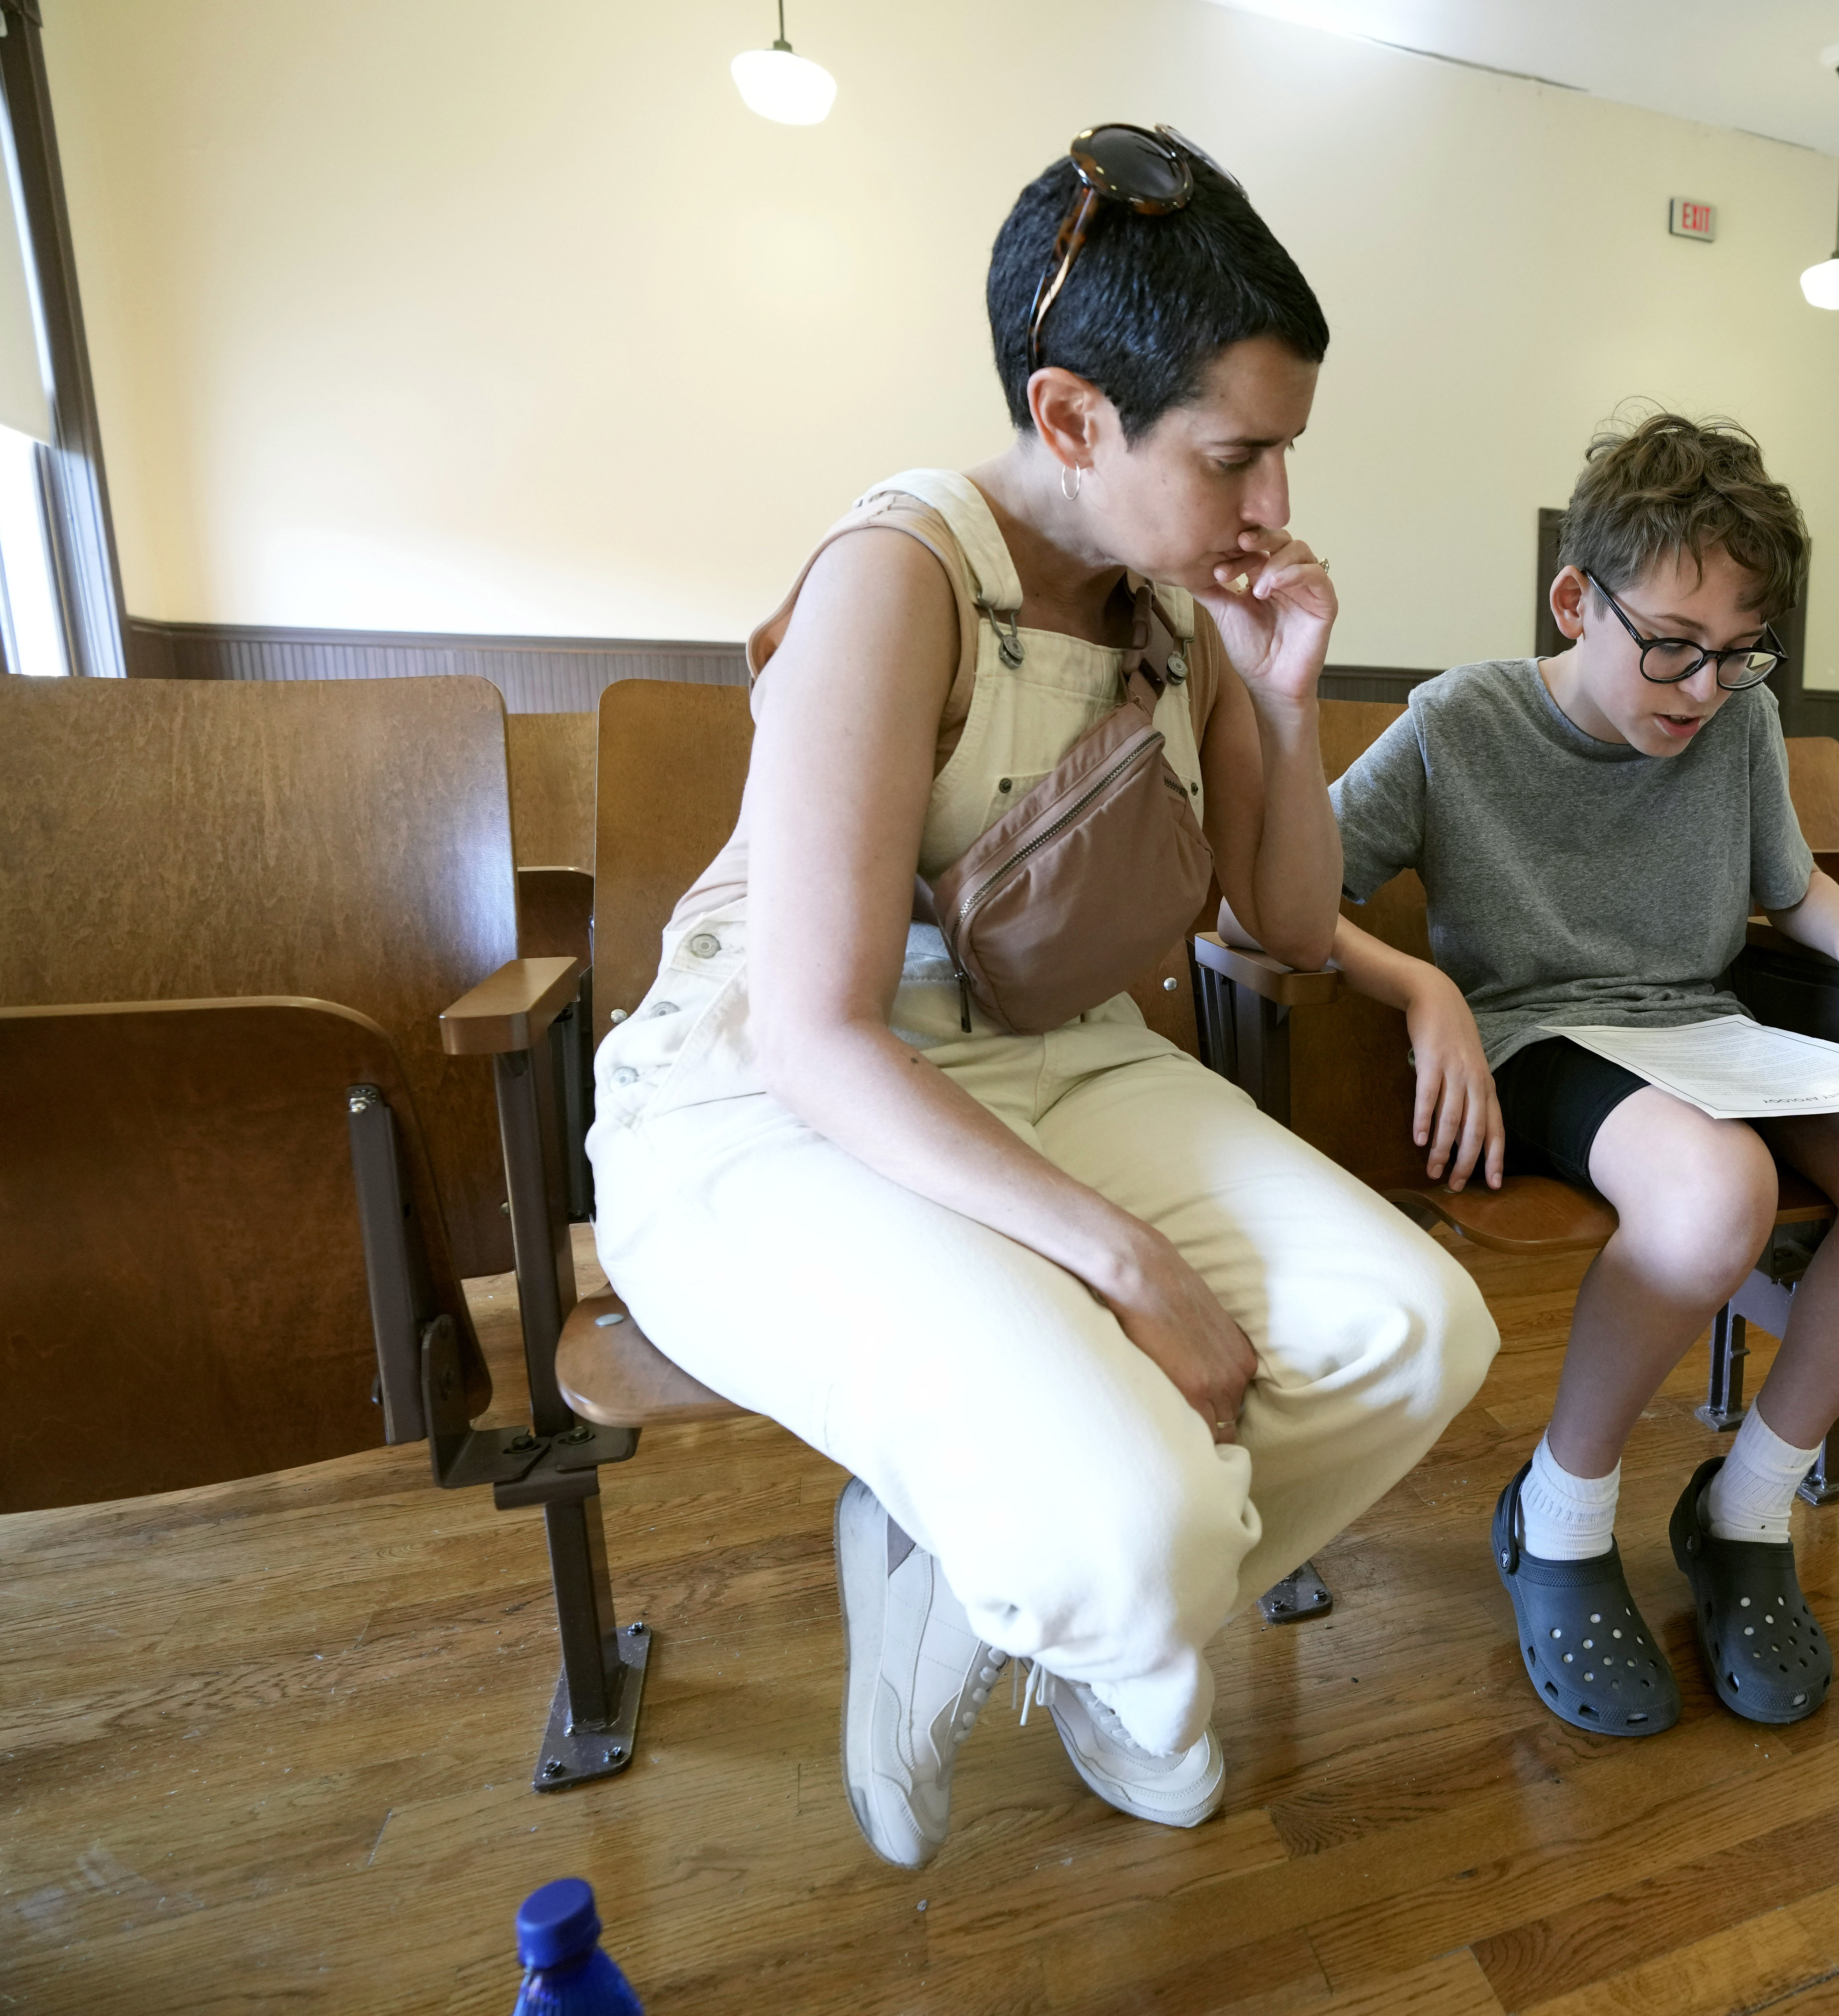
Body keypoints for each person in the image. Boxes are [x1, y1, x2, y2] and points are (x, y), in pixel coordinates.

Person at [586, 127, 1495, 1866]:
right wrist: (1129, 1264)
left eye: (1286, 455)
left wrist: (1287, 698)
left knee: (1416, 1332)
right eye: (1239, 457)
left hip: (1055, 1049)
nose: (1276, 509)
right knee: (1130, 1518)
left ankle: (1000, 1590)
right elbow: (816, 1032)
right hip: (775, 1091)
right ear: (1074, 416)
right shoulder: (900, 574)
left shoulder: (1177, 603)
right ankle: (1093, 1609)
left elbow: (1293, 926)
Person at [1326, 412, 1839, 1735]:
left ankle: (1744, 1510)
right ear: (1577, 600)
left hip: (1695, 1026)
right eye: (1671, 648)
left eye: (1737, 656)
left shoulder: (1739, 720)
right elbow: (1271, 906)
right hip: (1539, 1035)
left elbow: (1786, 886)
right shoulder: (1463, 718)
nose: (1700, 688)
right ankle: (1558, 1516)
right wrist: (1424, 987)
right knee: (1712, 1192)